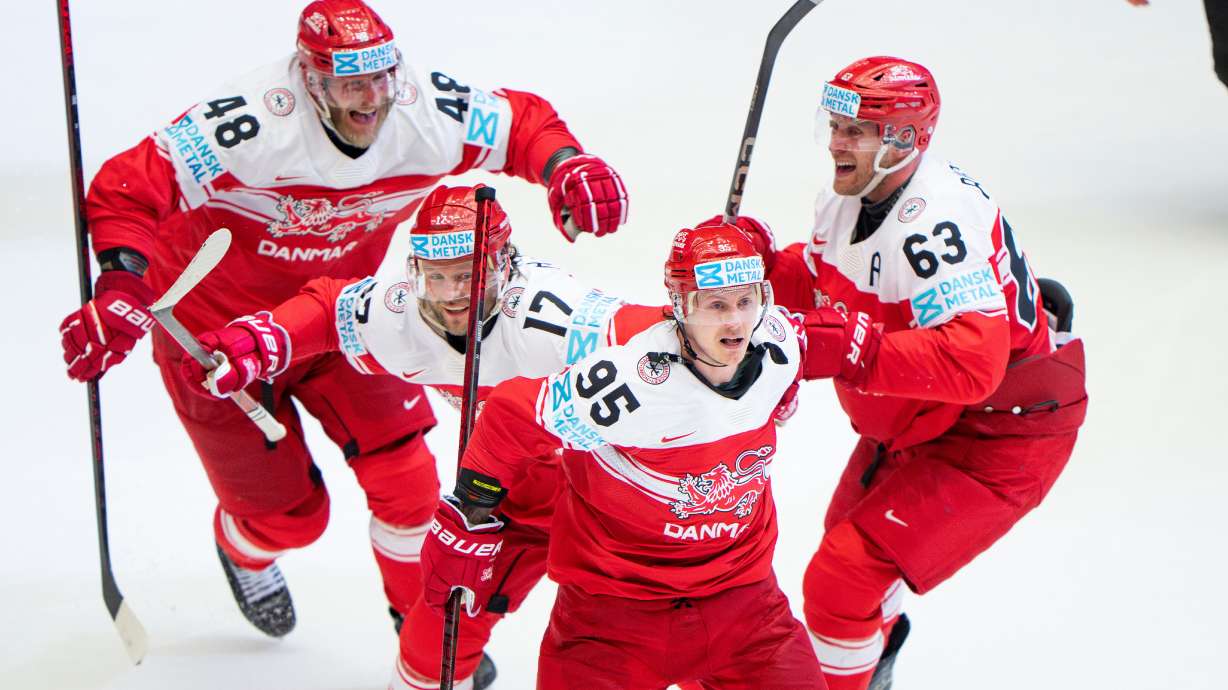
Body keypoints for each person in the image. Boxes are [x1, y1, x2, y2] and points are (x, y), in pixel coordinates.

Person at [56, 0, 629, 647]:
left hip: (336, 317)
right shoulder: (252, 121)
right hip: (214, 339)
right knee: (292, 520)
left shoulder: (423, 110)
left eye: (380, 77)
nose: (371, 99)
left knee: (411, 488)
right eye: (348, 82)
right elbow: (130, 186)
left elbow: (521, 123)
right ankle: (243, 547)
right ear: (307, 77)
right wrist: (122, 286)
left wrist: (566, 164)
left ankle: (423, 636)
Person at [174, 184, 662, 690]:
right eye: (438, 275)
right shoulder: (402, 314)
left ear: (504, 265)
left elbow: (659, 340)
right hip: (504, 504)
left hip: (620, 510)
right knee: (430, 651)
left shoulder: (552, 320)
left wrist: (725, 318)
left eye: (469, 275)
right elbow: (327, 309)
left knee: (673, 647)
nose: (452, 294)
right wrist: (256, 342)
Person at [729, 56, 1088, 690]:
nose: (837, 143)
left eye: (855, 131)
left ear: (903, 140)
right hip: (924, 417)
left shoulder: (933, 221)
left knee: (843, 576)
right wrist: (749, 266)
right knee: (845, 549)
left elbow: (974, 363)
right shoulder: (849, 201)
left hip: (1000, 431)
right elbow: (818, 287)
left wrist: (848, 351)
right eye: (835, 126)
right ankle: (874, 661)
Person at [416, 219, 880, 689]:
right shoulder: (631, 384)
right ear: (679, 306)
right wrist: (471, 511)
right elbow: (513, 414)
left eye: (746, 301)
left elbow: (837, 342)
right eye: (715, 305)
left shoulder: (777, 343)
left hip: (744, 609)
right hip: (612, 621)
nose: (736, 322)